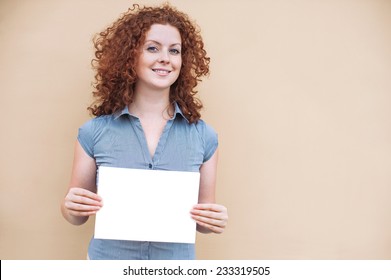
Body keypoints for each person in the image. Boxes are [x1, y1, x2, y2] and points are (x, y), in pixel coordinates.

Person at [61, 3, 228, 260]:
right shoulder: (93, 132)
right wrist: (70, 206)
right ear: (130, 56)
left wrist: (213, 219)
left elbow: (202, 223)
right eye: (152, 48)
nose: (165, 58)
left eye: (175, 51)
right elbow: (76, 217)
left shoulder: (204, 137)